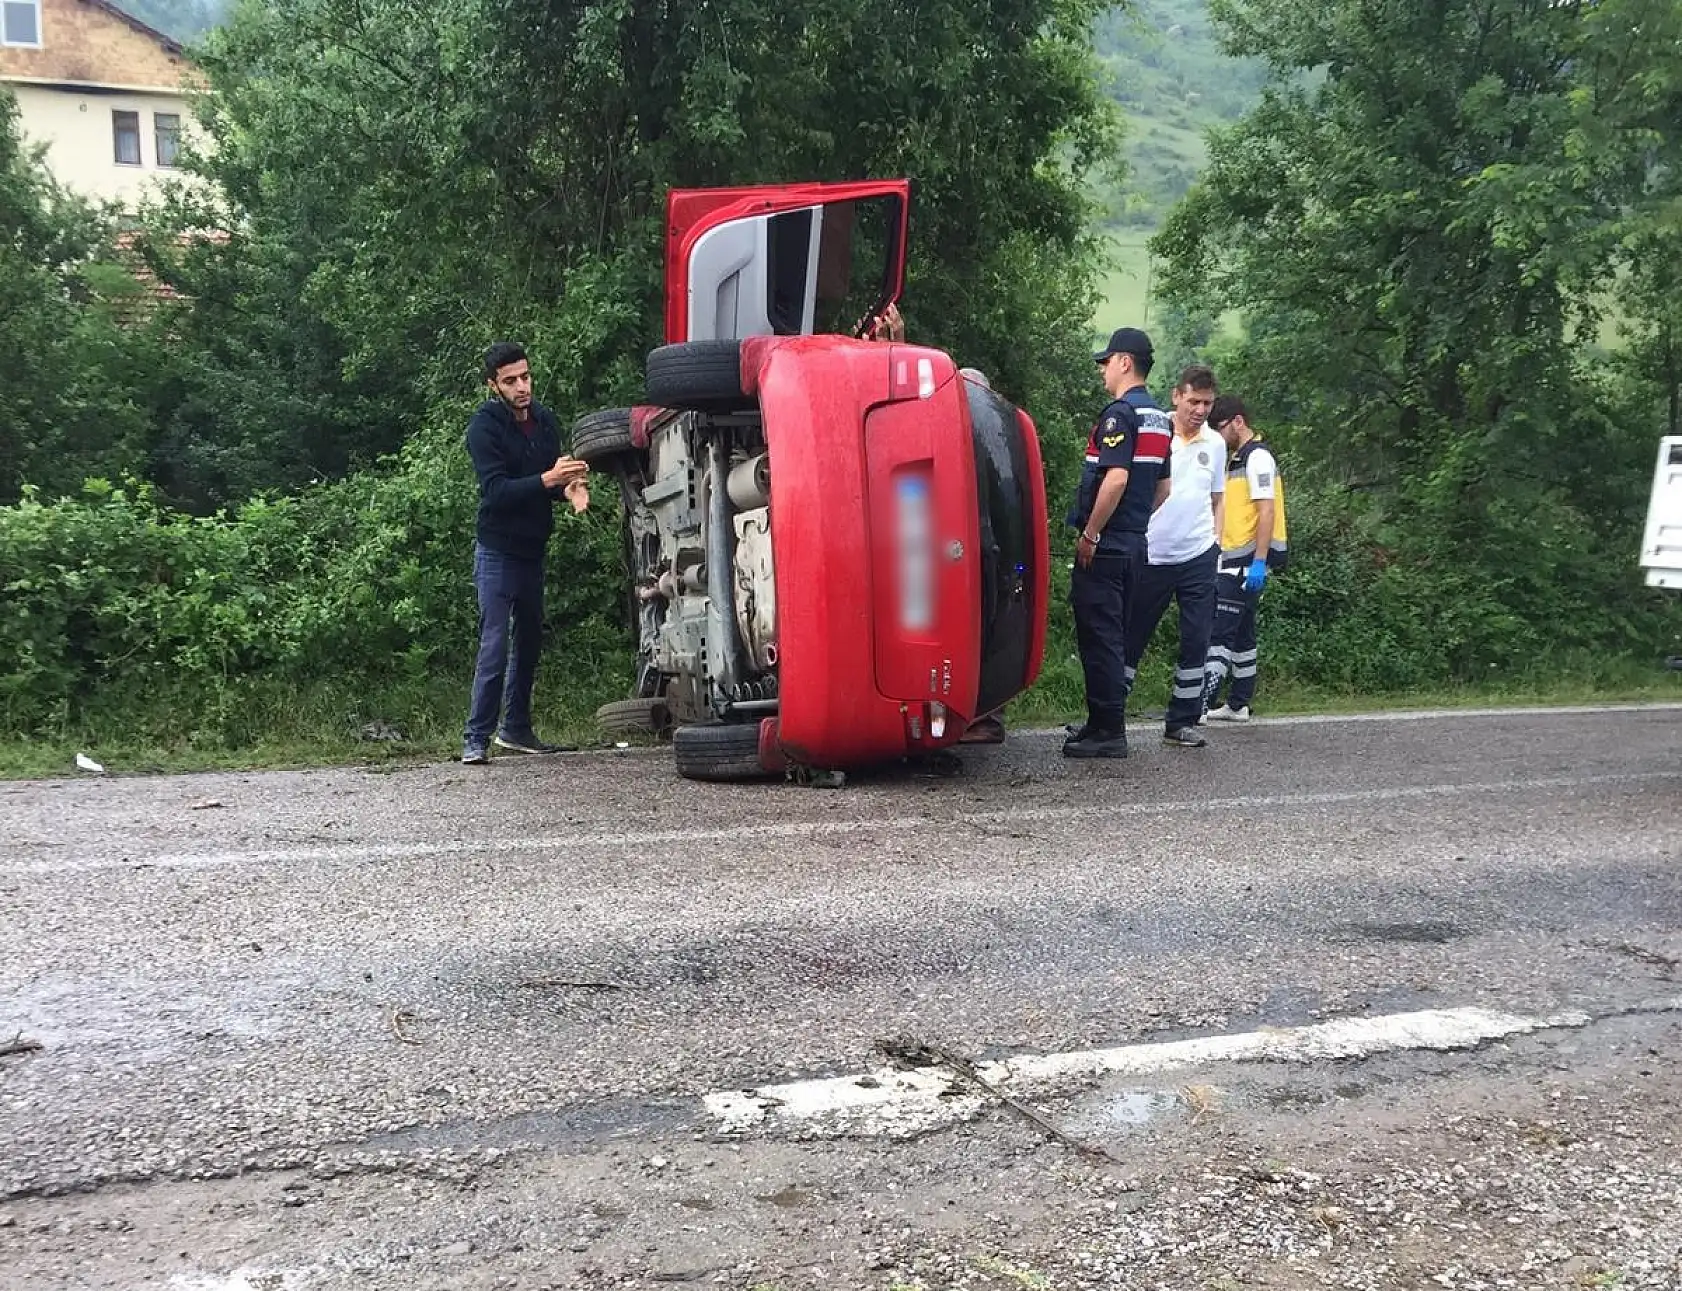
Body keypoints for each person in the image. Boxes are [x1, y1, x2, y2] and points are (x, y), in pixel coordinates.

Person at [460, 342, 591, 765]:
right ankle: (475, 737)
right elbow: (496, 492)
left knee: (530, 641)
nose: (522, 387)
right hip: (497, 550)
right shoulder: (484, 427)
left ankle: (515, 729)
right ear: (493, 385)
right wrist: (549, 478)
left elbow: (548, 483)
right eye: (511, 380)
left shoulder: (545, 421)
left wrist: (571, 487)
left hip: (532, 550)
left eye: (526, 377)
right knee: (495, 644)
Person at [1063, 327, 1174, 759]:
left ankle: (1108, 731)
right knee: (1114, 633)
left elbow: (1116, 478)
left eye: (1106, 362)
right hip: (1134, 544)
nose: (1103, 371)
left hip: (1107, 545)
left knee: (1100, 636)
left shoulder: (1119, 415)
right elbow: (1162, 488)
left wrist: (1092, 533)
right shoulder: (1160, 420)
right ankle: (1100, 722)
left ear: (1124, 362)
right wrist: (1132, 524)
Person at [1123, 364, 1225, 747]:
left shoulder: (1215, 444)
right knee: (1132, 635)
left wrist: (1217, 545)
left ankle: (1181, 720)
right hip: (1153, 553)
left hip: (1198, 553)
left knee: (1197, 638)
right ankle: (1108, 715)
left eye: (1208, 404)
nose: (1200, 410)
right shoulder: (1155, 433)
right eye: (1194, 401)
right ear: (1176, 396)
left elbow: (1217, 498)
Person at [1201, 394, 1289, 723]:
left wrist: (1259, 561)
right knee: (1242, 633)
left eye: (1220, 428)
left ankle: (1201, 702)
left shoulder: (1257, 458)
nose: (1218, 436)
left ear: (1238, 422)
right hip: (1233, 558)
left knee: (1219, 632)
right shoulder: (1237, 459)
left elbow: (1266, 511)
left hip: (1244, 561)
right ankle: (1239, 704)